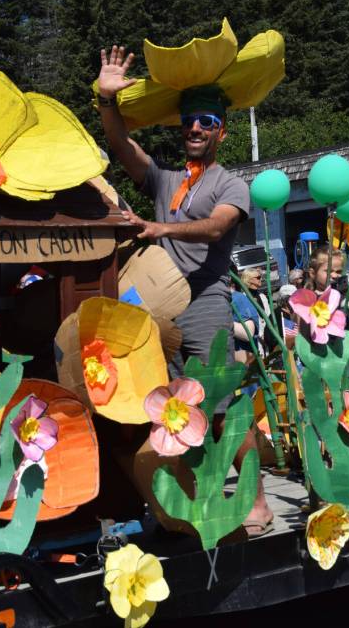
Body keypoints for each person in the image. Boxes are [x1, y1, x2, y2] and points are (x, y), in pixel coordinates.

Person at [95, 44, 273, 536]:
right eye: (190, 121)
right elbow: (123, 149)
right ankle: (192, 500)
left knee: (221, 407)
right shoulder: (166, 179)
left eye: (207, 122)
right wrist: (108, 102)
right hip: (159, 313)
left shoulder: (230, 184)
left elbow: (217, 229)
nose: (196, 129)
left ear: (221, 131)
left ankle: (256, 501)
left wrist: (160, 229)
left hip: (205, 305)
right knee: (173, 409)